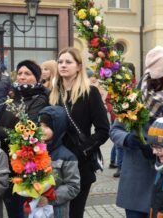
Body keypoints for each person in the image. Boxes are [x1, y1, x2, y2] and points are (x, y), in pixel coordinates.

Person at [110, 46, 163, 218]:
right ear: (161, 73)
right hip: (136, 178)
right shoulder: (133, 97)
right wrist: (130, 140)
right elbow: (115, 130)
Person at [49, 47, 110, 218]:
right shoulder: (53, 94)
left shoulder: (90, 93)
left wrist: (83, 150)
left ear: (78, 66)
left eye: (68, 62)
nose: (63, 65)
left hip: (79, 164)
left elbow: (103, 130)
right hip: (54, 162)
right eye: (60, 62)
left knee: (75, 213)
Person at [0, 59, 49, 218]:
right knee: (12, 209)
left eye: (28, 73)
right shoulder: (11, 97)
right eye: (20, 73)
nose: (22, 77)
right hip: (4, 162)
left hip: (24, 165)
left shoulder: (40, 98)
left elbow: (26, 129)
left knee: (21, 209)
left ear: (37, 78)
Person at [38, 106, 80, 218]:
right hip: (35, 208)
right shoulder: (33, 152)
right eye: (39, 126)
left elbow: (73, 186)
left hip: (57, 211)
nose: (41, 130)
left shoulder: (67, 156)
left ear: (57, 128)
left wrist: (50, 197)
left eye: (46, 126)